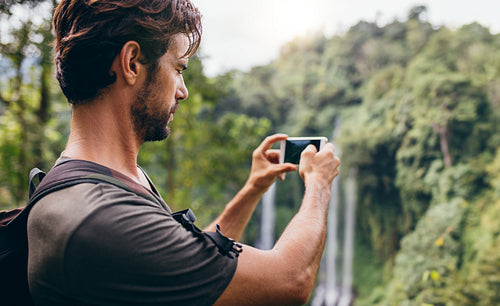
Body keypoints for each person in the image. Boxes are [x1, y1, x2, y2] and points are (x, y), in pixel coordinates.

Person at [26, 0, 341, 305]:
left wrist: (252, 188)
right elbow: (290, 280)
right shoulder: (103, 218)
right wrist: (318, 184)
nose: (183, 90)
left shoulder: (98, 181)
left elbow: (187, 263)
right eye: (178, 68)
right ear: (132, 62)